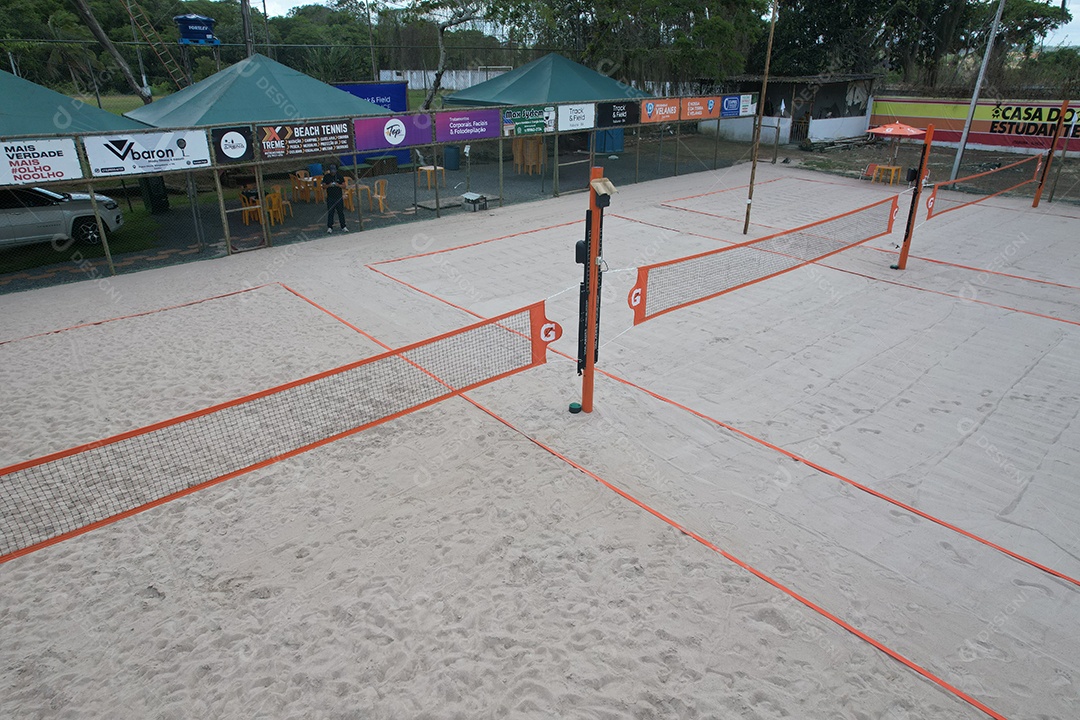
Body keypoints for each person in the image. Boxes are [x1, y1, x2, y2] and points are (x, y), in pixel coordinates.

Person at [323, 165, 346, 233]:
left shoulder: (339, 176)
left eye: (334, 171)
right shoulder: (326, 177)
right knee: (330, 213)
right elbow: (323, 186)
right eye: (331, 171)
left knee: (341, 212)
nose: (333, 172)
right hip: (330, 197)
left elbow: (344, 186)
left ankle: (343, 226)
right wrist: (329, 185)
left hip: (338, 197)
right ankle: (330, 227)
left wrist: (338, 185)